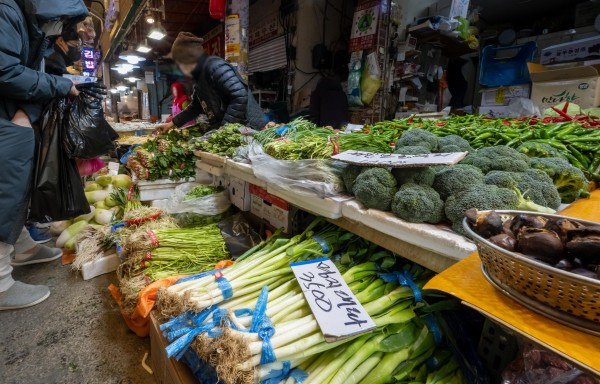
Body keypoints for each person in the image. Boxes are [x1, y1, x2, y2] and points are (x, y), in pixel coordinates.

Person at [0, 0, 89, 311]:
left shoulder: (30, 24)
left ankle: (21, 247)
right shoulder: (6, 11)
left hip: (12, 116)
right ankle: (0, 283)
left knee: (17, 185)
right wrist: (59, 84)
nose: (65, 29)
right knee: (5, 187)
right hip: (6, 122)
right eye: (65, 22)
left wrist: (28, 109)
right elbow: (6, 71)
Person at [153, 32, 265, 135]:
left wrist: (224, 130)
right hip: (234, 129)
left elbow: (240, 96)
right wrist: (171, 124)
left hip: (249, 127)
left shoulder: (215, 66)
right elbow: (195, 107)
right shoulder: (199, 77)